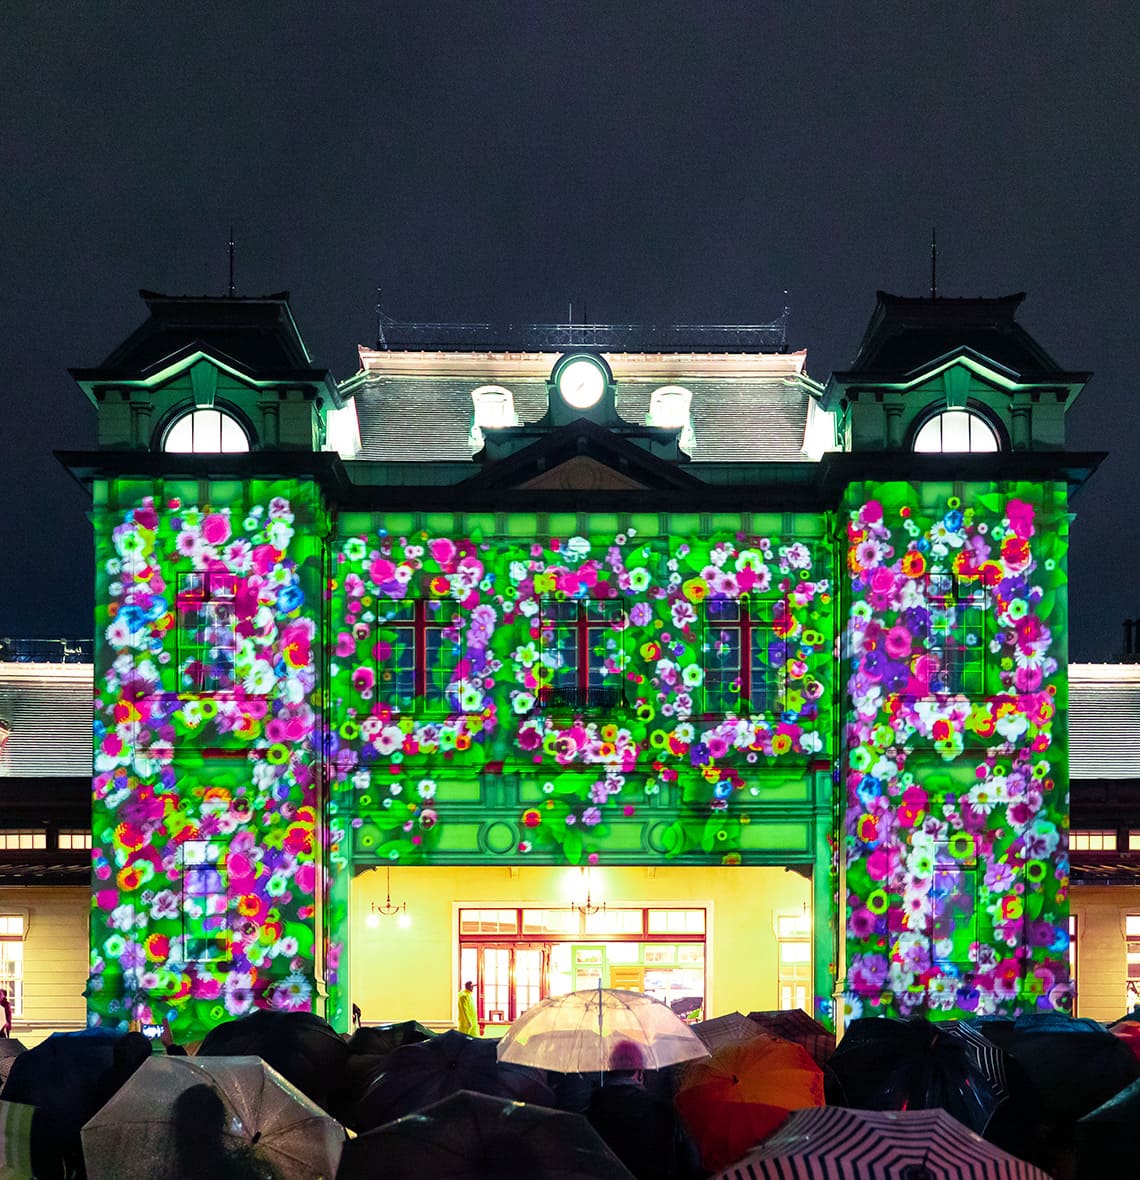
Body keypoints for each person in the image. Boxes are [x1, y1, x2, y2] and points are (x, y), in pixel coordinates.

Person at [586, 1039, 693, 1180]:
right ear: (640, 1072)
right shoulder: (662, 1110)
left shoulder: (593, 1111)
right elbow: (689, 1162)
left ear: (610, 1069)